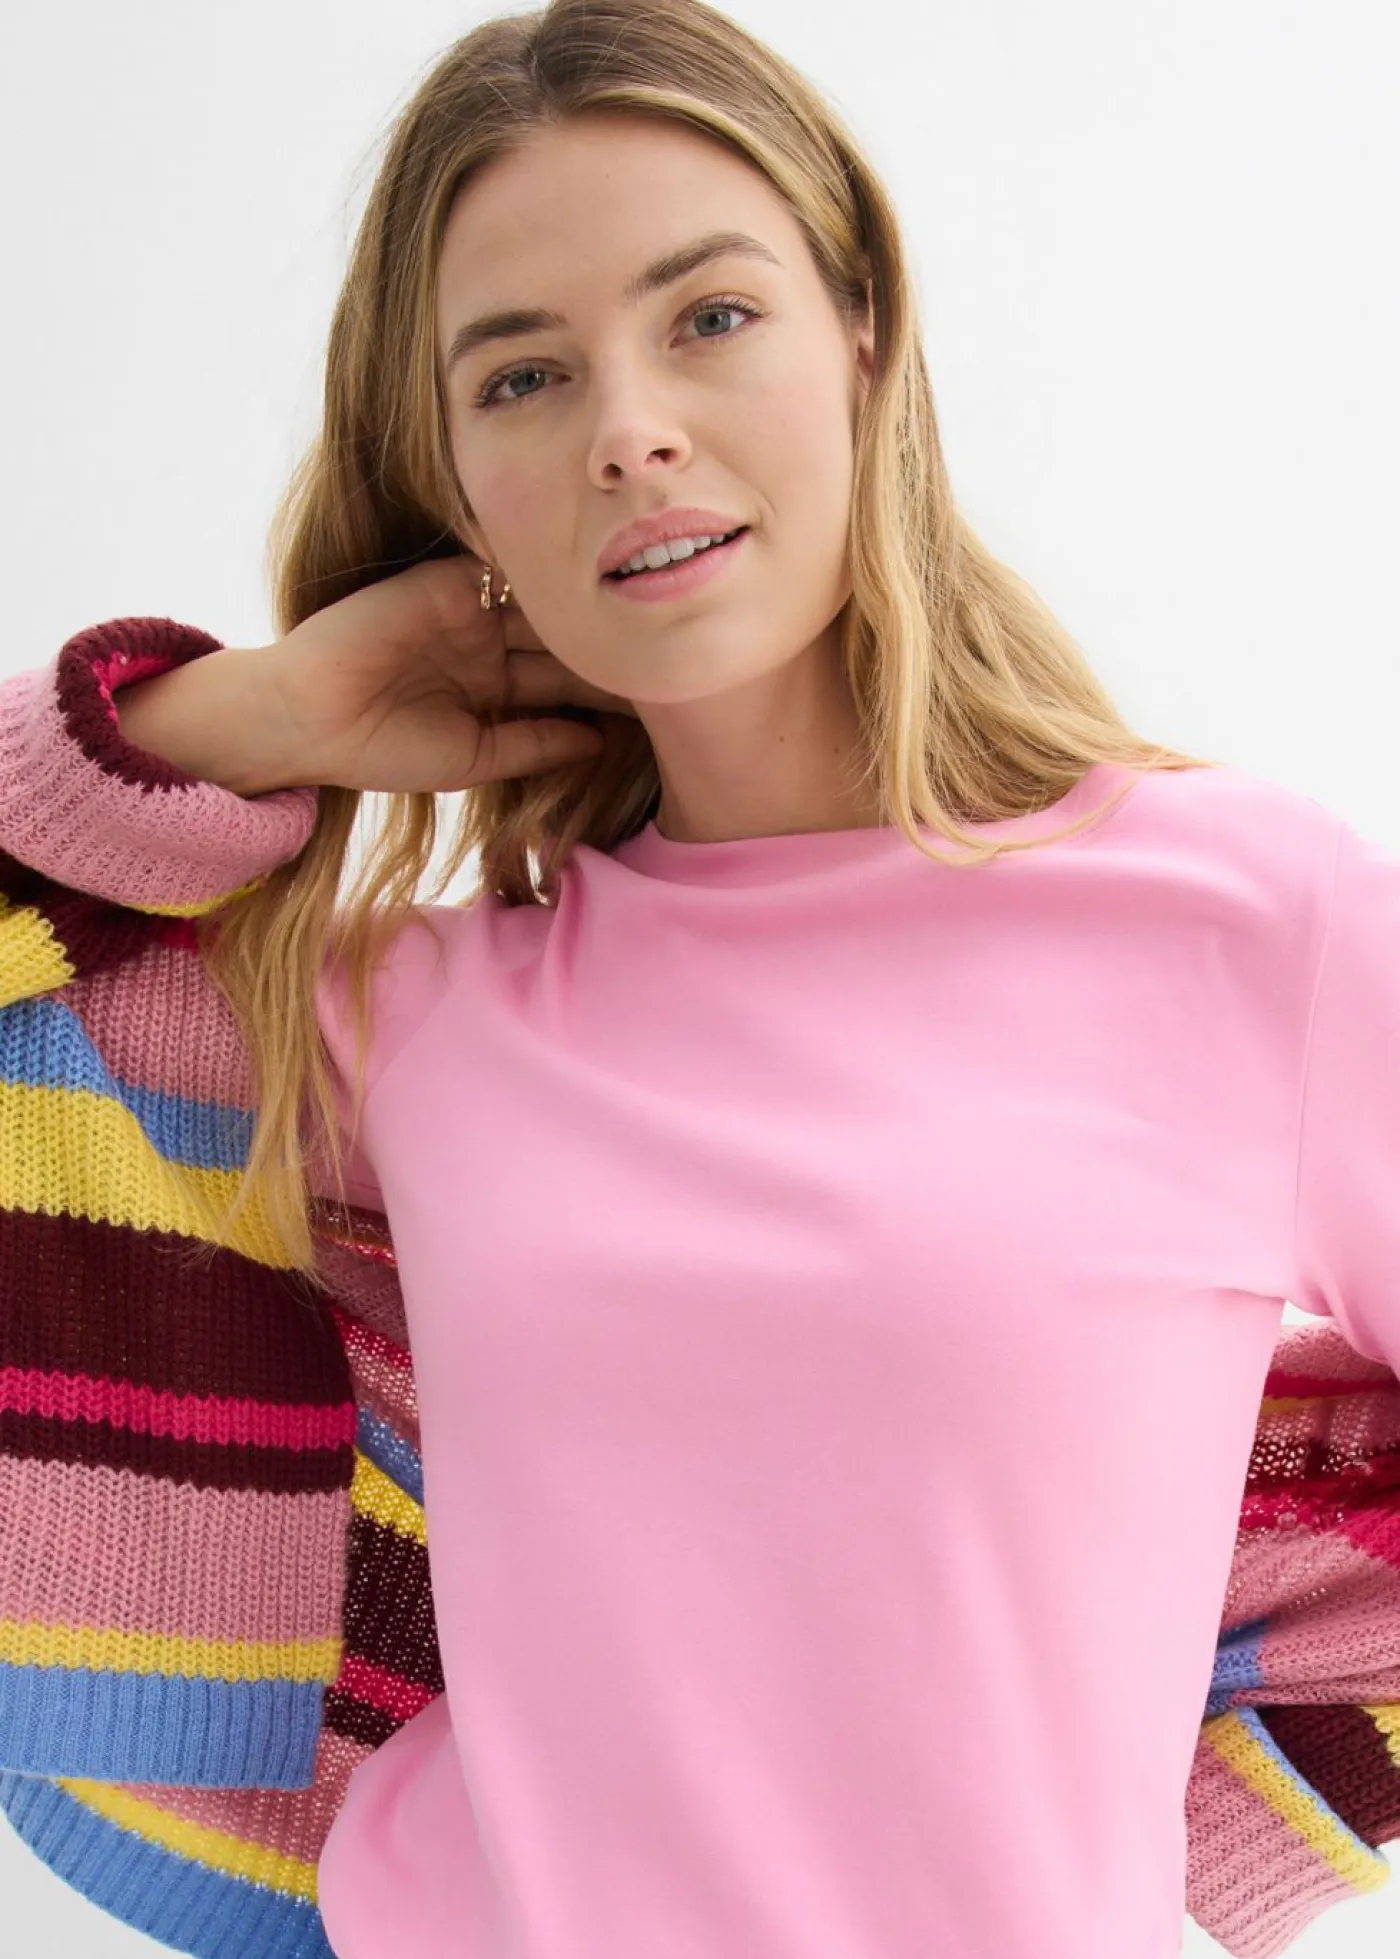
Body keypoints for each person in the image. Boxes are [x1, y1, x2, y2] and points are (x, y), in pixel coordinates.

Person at [3, 2, 1400, 1956]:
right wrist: (251, 716)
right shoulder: (404, 1022)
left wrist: (1203, 1852)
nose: (626, 428)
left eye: (711, 316)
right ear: (457, 488)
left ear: (865, 336)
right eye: (522, 376)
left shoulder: (1246, 921)